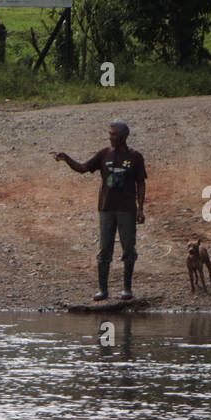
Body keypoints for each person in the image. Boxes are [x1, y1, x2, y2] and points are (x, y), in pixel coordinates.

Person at [51, 120, 148, 301]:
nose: (110, 137)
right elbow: (83, 168)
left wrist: (140, 208)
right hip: (106, 208)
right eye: (110, 134)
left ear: (124, 137)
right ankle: (103, 290)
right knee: (104, 250)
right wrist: (66, 159)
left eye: (114, 134)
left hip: (127, 209)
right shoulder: (104, 154)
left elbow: (141, 182)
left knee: (128, 248)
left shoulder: (135, 157)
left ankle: (127, 288)